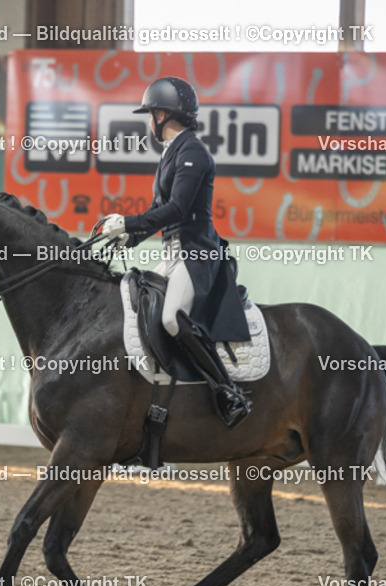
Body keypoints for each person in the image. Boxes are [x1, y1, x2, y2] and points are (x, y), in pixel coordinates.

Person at [100, 76, 252, 428]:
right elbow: (159, 212)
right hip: (172, 252)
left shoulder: (193, 152)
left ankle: (227, 391)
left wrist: (126, 220)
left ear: (165, 114)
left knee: (171, 318)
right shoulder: (171, 154)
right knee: (134, 302)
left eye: (151, 113)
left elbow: (178, 210)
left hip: (196, 254)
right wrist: (130, 237)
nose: (149, 121)